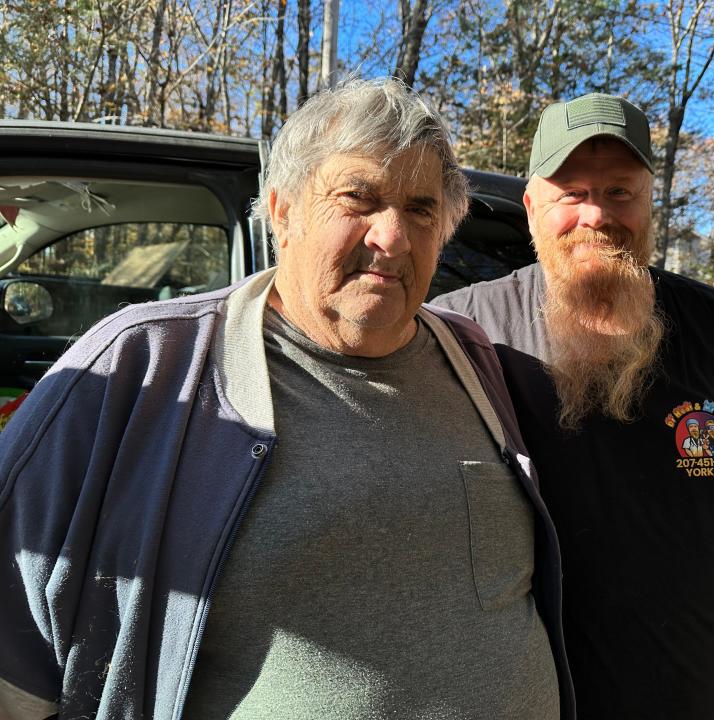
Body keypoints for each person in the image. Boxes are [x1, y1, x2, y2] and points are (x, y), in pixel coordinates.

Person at [0, 79, 572, 720]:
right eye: (358, 197)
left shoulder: (475, 358)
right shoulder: (141, 363)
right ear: (282, 211)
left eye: (420, 209)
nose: (393, 237)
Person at [433, 92, 714, 720]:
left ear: (650, 200)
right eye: (571, 193)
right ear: (532, 205)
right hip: (531, 703)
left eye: (621, 191)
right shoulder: (465, 332)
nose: (597, 214)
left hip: (703, 693)